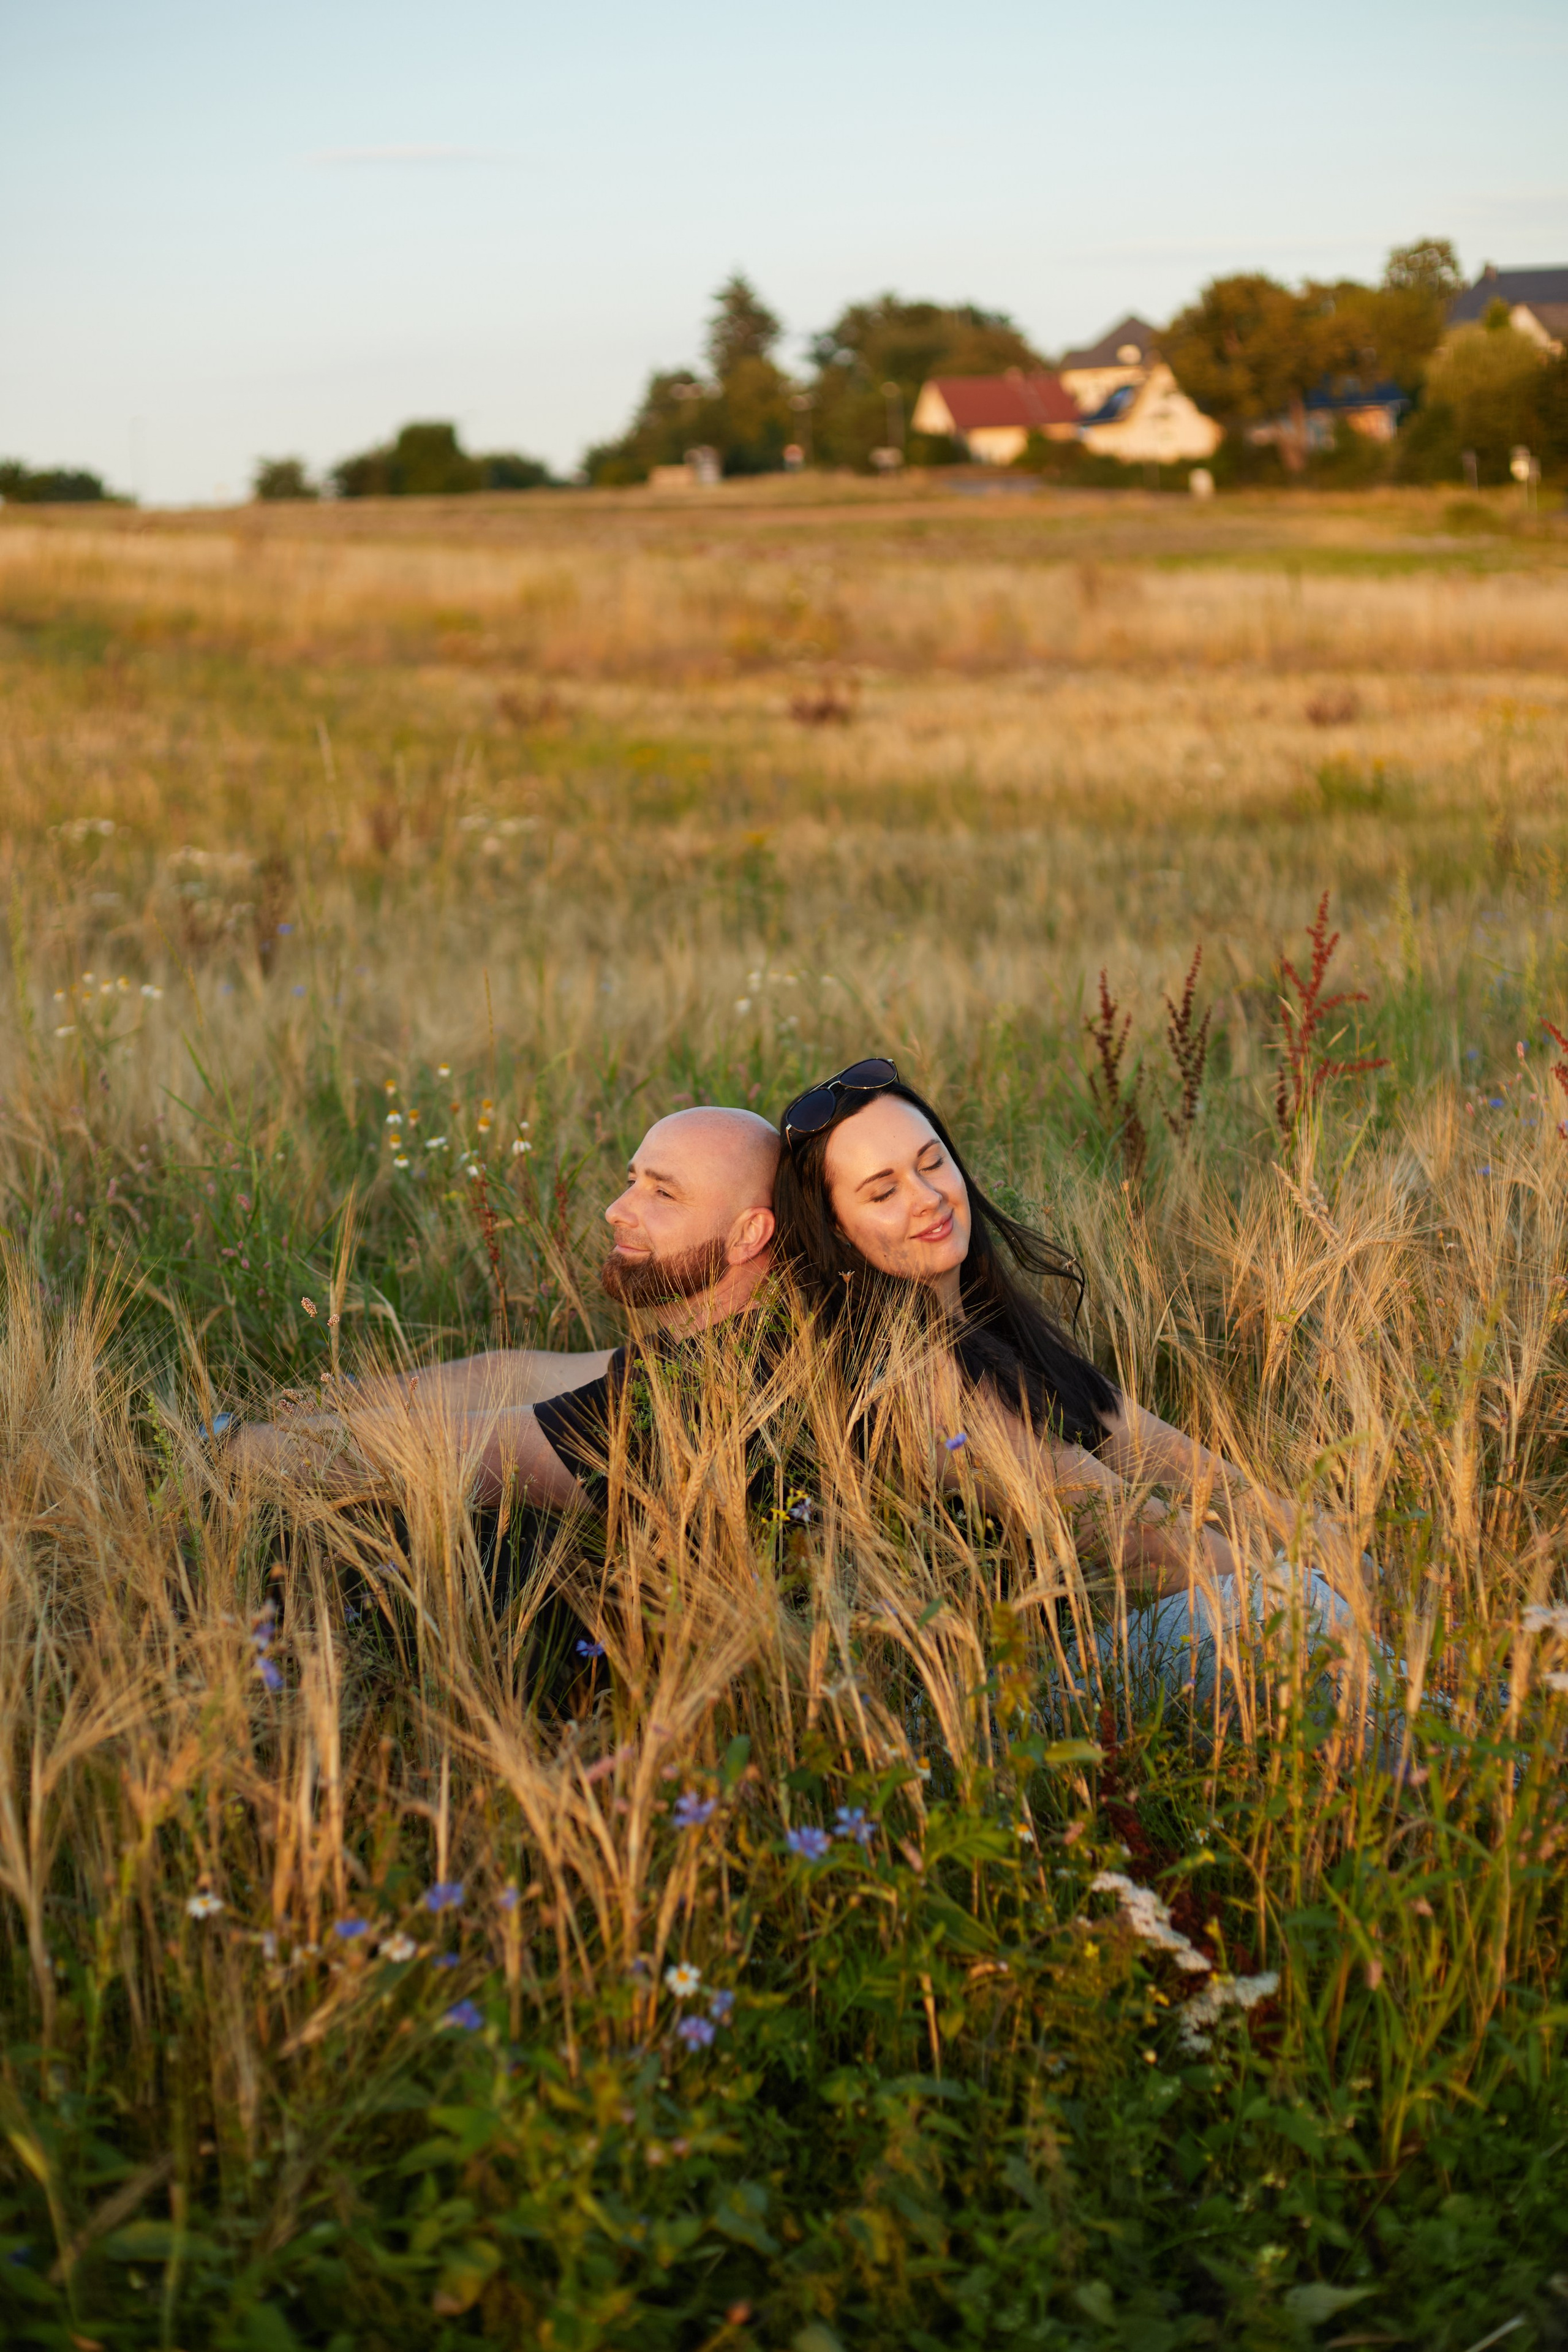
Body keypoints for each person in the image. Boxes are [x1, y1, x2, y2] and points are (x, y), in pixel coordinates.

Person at [769, 1057, 1357, 1626]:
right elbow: (1135, 1540)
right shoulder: (915, 1380)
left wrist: (1333, 1548)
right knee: (1297, 1605)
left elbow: (1185, 1468)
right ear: (836, 1232)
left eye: (932, 1162)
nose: (928, 1196)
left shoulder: (989, 1327)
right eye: (882, 1192)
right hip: (1012, 1697)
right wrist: (1319, 1585)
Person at [229, 1105, 781, 1511]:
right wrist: (325, 1406)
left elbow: (452, 1450)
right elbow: (516, 1374)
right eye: (632, 1180)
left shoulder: (720, 1392)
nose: (616, 1210)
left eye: (663, 1194)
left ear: (748, 1233)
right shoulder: (744, 1330)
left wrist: (226, 1453)